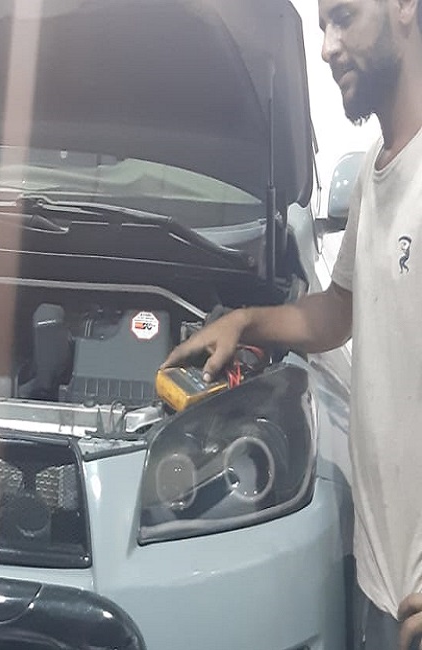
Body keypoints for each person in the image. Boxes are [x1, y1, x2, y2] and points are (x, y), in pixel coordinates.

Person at [164, 0, 422, 647]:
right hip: (382, 577)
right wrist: (245, 322)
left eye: (344, 16)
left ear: (404, 7)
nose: (328, 46)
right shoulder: (378, 170)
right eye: (322, 26)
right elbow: (338, 311)